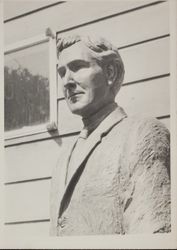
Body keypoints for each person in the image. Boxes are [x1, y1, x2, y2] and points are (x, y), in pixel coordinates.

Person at [50, 34, 170, 236]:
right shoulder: (63, 158)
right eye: (62, 73)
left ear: (110, 72)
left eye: (78, 67)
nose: (67, 82)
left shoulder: (141, 135)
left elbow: (153, 236)